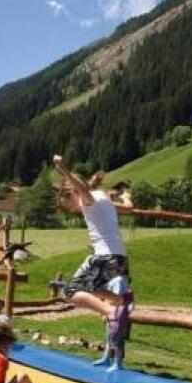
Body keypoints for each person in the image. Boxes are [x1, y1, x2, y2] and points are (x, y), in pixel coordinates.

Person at [52, 155, 134, 361]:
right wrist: (126, 196)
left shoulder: (88, 199)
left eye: (69, 204)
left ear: (73, 192)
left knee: (70, 291)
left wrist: (63, 169)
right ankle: (120, 301)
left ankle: (111, 311)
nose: (74, 210)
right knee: (93, 290)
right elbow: (129, 208)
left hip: (105, 257)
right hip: (119, 259)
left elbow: (82, 189)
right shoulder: (104, 198)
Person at [92, 276, 134, 372]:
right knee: (109, 337)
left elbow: (124, 302)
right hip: (112, 314)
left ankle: (118, 362)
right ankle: (106, 358)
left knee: (117, 340)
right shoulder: (113, 284)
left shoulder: (124, 287)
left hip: (119, 316)